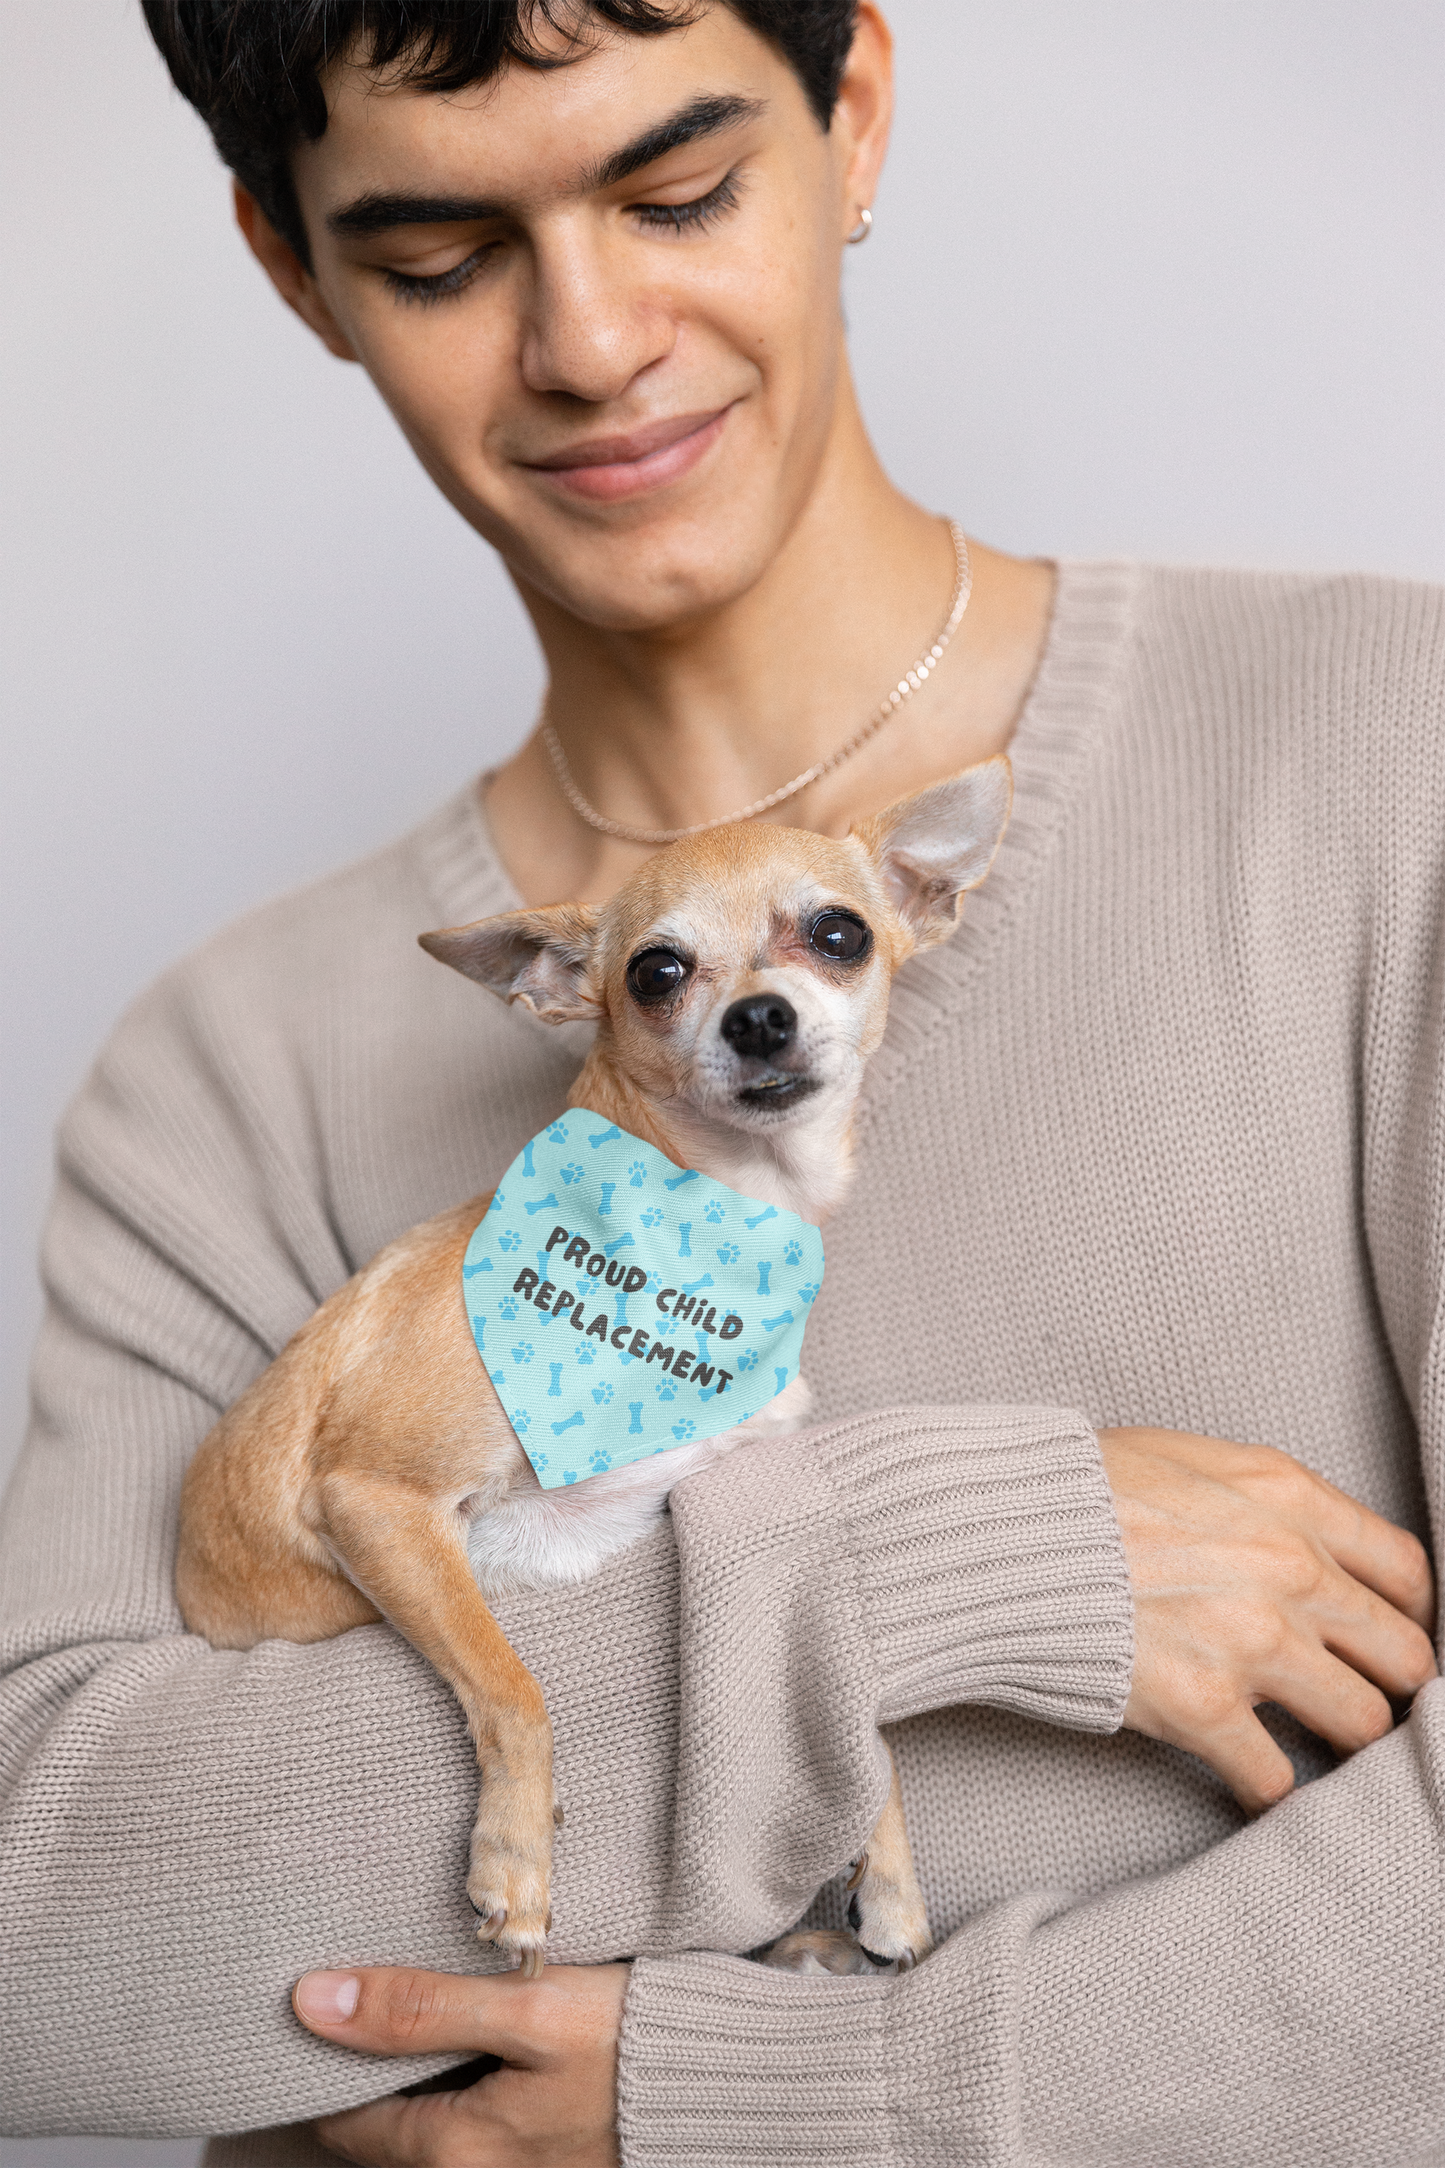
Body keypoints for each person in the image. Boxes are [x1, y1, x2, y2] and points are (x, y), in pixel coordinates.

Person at [2, 2, 1442, 2162]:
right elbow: (55, 1952)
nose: (588, 338)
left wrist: (781, 2096)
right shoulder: (232, 1072)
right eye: (432, 258)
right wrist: (929, 1563)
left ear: (851, 113)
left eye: (676, 193)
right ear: (292, 273)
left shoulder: (1382, 758)